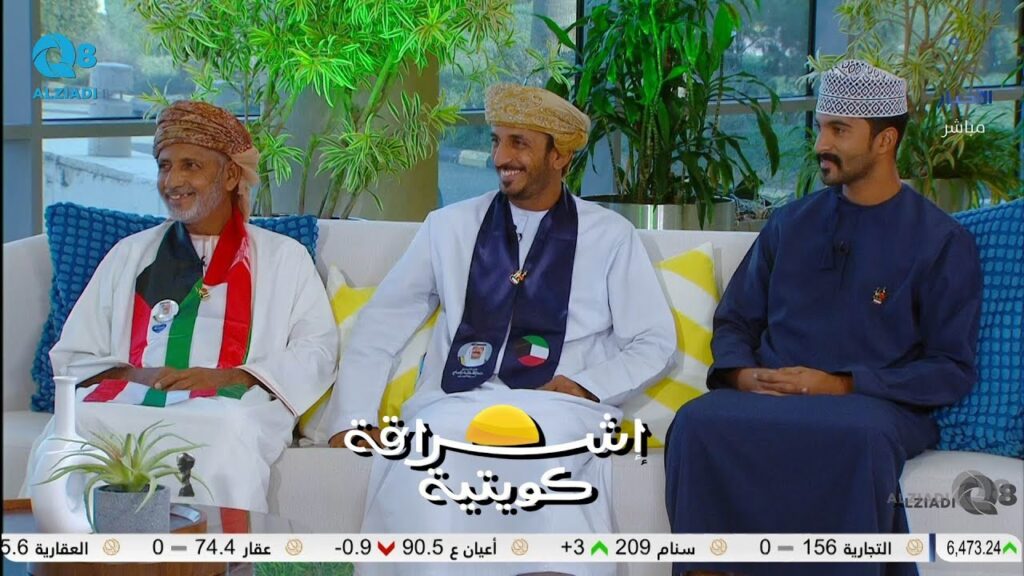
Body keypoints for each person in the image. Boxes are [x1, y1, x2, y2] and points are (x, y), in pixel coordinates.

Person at [323, 83, 676, 576]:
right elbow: (380, 325)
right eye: (496, 141)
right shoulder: (447, 227)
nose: (501, 158)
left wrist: (584, 384)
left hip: (558, 408)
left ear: (560, 156)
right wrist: (353, 418)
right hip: (453, 402)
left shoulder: (610, 235)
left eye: (519, 143)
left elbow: (653, 341)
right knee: (428, 456)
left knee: (542, 451)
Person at [664, 59, 983, 576]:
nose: (820, 145)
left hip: (871, 405)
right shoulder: (790, 223)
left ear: (885, 141)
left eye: (839, 130)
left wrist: (841, 384)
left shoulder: (942, 241)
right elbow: (736, 319)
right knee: (697, 421)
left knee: (860, 437)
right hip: (769, 395)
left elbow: (950, 367)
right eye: (820, 128)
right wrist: (742, 375)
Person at [24, 101, 338, 513]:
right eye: (164, 166)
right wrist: (138, 374)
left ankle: (210, 547)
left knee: (226, 428)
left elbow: (317, 349)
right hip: (131, 397)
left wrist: (230, 375)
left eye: (191, 166)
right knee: (73, 424)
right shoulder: (131, 254)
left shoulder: (283, 257)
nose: (172, 181)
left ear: (230, 175)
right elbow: (73, 354)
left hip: (233, 404)